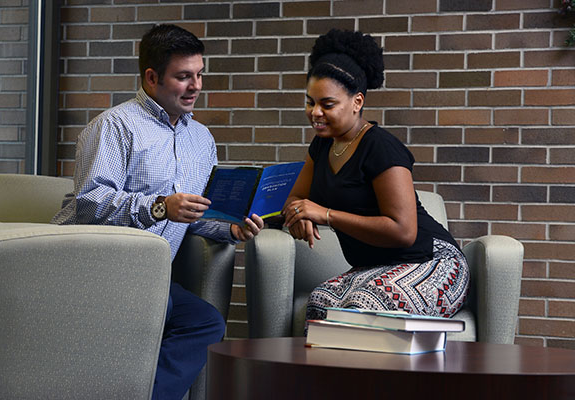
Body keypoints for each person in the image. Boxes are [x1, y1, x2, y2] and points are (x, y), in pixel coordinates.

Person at [52, 24, 263, 400]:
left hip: (150, 279)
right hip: (95, 269)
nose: (196, 86)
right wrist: (159, 206)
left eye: (199, 75)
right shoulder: (115, 126)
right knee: (157, 308)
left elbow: (196, 214)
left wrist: (231, 229)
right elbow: (88, 203)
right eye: (183, 77)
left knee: (205, 323)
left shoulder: (201, 139)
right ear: (152, 77)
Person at [281, 29, 470, 323]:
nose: (315, 112)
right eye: (309, 102)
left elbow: (404, 231)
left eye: (327, 104)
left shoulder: (380, 147)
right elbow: (296, 198)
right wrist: (299, 214)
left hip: (432, 261)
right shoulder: (321, 145)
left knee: (365, 304)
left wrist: (326, 214)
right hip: (377, 267)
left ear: (357, 102)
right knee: (320, 303)